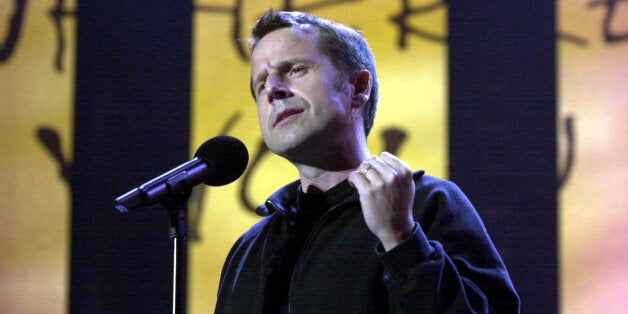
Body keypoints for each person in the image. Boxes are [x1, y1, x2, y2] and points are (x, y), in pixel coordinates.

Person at [215, 10, 520, 313]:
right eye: (260, 85)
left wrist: (401, 239)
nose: (273, 91)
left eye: (295, 69)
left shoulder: (425, 204)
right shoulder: (250, 249)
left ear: (358, 88)